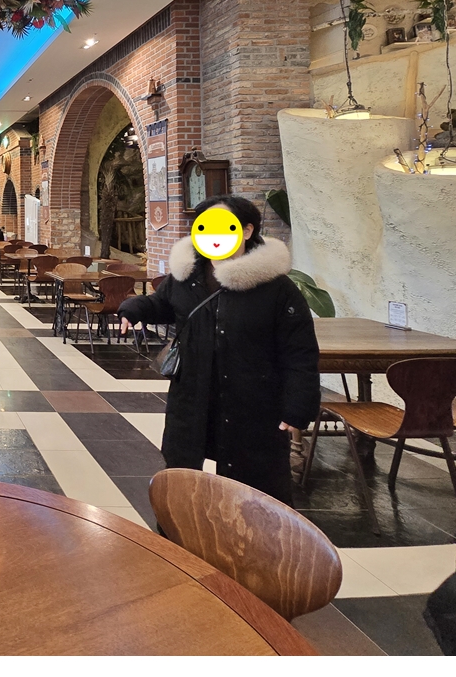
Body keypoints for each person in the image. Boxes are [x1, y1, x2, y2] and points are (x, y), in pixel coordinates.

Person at [118, 195, 320, 505]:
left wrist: (298, 405)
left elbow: (299, 351)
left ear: (247, 231)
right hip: (193, 396)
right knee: (184, 476)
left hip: (252, 403)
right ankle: (181, 529)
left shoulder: (276, 288)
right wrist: (134, 308)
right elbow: (162, 304)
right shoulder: (187, 277)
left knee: (256, 490)